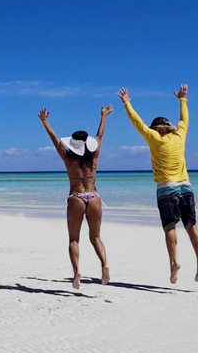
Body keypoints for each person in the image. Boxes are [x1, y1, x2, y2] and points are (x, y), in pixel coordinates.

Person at [117, 84, 197, 283]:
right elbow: (184, 119)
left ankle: (174, 262)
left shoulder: (154, 138)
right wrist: (182, 99)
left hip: (166, 188)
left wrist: (127, 103)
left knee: (170, 227)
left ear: (156, 129)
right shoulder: (179, 135)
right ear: (169, 127)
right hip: (186, 187)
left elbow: (137, 122)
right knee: (191, 226)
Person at [38, 105, 112, 288]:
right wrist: (103, 117)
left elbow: (55, 140)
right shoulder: (94, 156)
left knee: (73, 239)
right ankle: (104, 264)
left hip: (76, 197)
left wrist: (45, 122)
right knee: (96, 237)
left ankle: (77, 271)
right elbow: (100, 135)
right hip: (93, 196)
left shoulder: (68, 158)